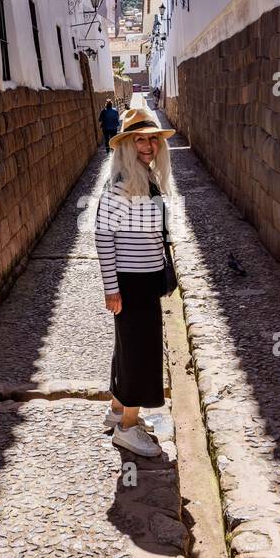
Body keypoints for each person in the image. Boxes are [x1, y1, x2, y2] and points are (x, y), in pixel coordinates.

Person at [94, 107, 176, 459]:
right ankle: (128, 428)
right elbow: (103, 237)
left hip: (144, 280)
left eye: (152, 138)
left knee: (127, 348)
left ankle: (117, 411)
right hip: (131, 283)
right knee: (141, 353)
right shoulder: (123, 185)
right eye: (139, 139)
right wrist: (112, 288)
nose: (148, 145)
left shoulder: (145, 178)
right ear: (126, 145)